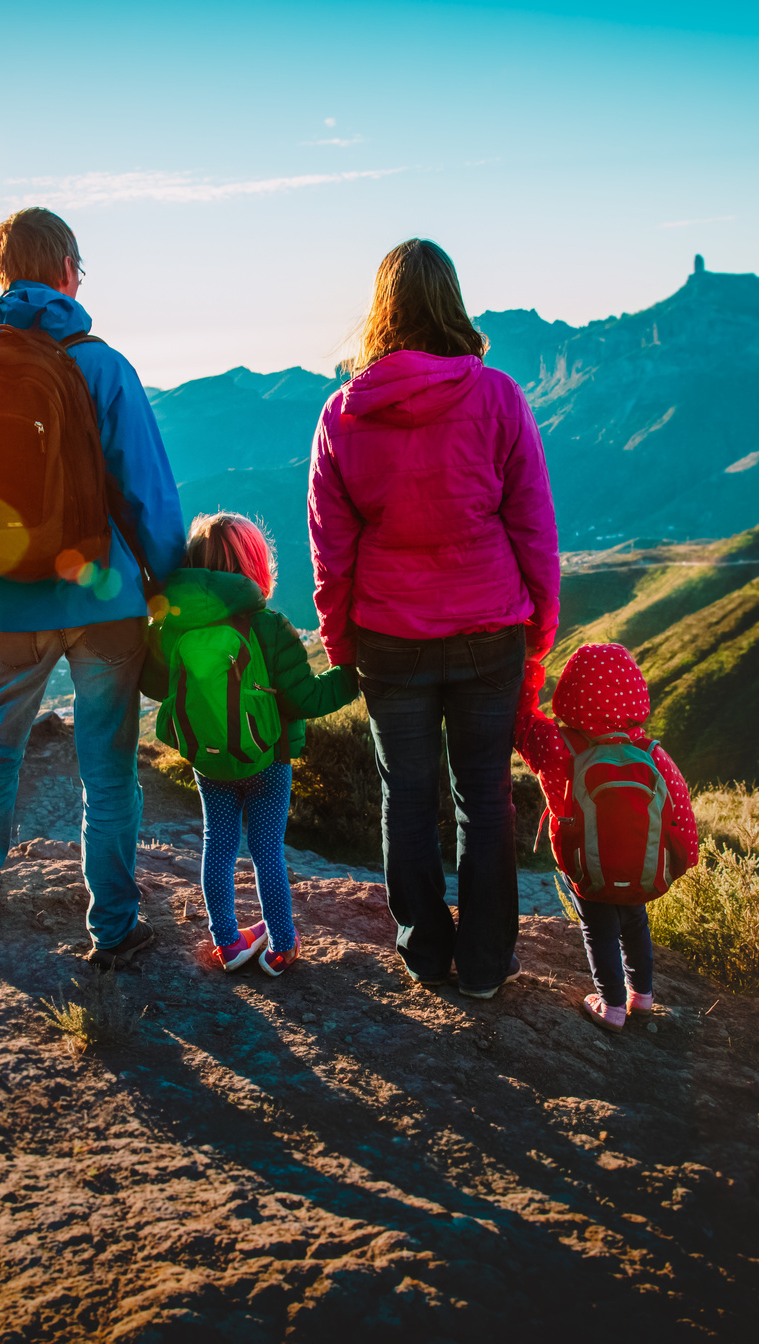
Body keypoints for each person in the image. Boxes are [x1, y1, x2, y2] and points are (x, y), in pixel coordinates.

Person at [0, 207, 186, 968]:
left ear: (4, 276)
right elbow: (149, 496)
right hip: (105, 604)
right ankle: (114, 926)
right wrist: (167, 590)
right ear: (67, 268)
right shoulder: (101, 366)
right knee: (107, 769)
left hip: (5, 601)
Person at [307, 239, 560, 998]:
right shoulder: (499, 398)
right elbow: (534, 533)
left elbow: (331, 550)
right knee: (484, 798)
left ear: (382, 310)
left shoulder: (343, 415)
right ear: (452, 301)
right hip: (490, 632)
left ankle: (423, 951)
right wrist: (537, 636)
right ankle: (485, 966)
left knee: (406, 795)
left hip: (390, 639)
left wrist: (342, 644)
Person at [139, 513, 359, 976]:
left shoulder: (173, 627)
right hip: (268, 760)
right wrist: (354, 674)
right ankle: (281, 945)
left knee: (217, 846)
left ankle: (229, 944)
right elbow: (306, 698)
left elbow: (156, 687)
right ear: (256, 564)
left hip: (207, 762)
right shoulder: (270, 626)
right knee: (266, 851)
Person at [513, 642, 698, 1029]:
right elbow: (681, 810)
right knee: (634, 924)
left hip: (587, 868)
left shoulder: (555, 745)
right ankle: (642, 996)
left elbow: (521, 721)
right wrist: (683, 859)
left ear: (570, 694)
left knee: (598, 930)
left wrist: (530, 666)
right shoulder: (650, 752)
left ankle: (611, 1005)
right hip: (640, 868)